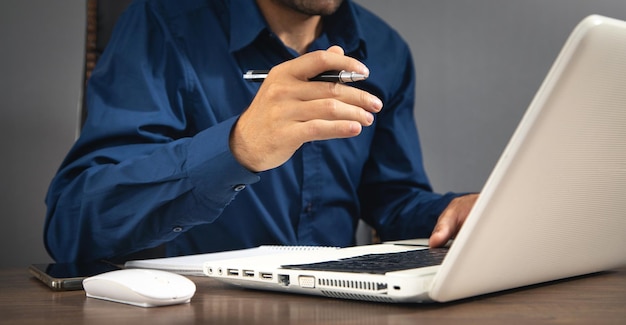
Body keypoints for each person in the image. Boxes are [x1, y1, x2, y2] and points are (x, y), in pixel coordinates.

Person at [44, 0, 478, 263]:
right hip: (203, 310)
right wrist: (236, 149)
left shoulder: (386, 49)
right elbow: (71, 226)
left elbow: (392, 198)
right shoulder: (163, 21)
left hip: (342, 308)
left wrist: (459, 214)